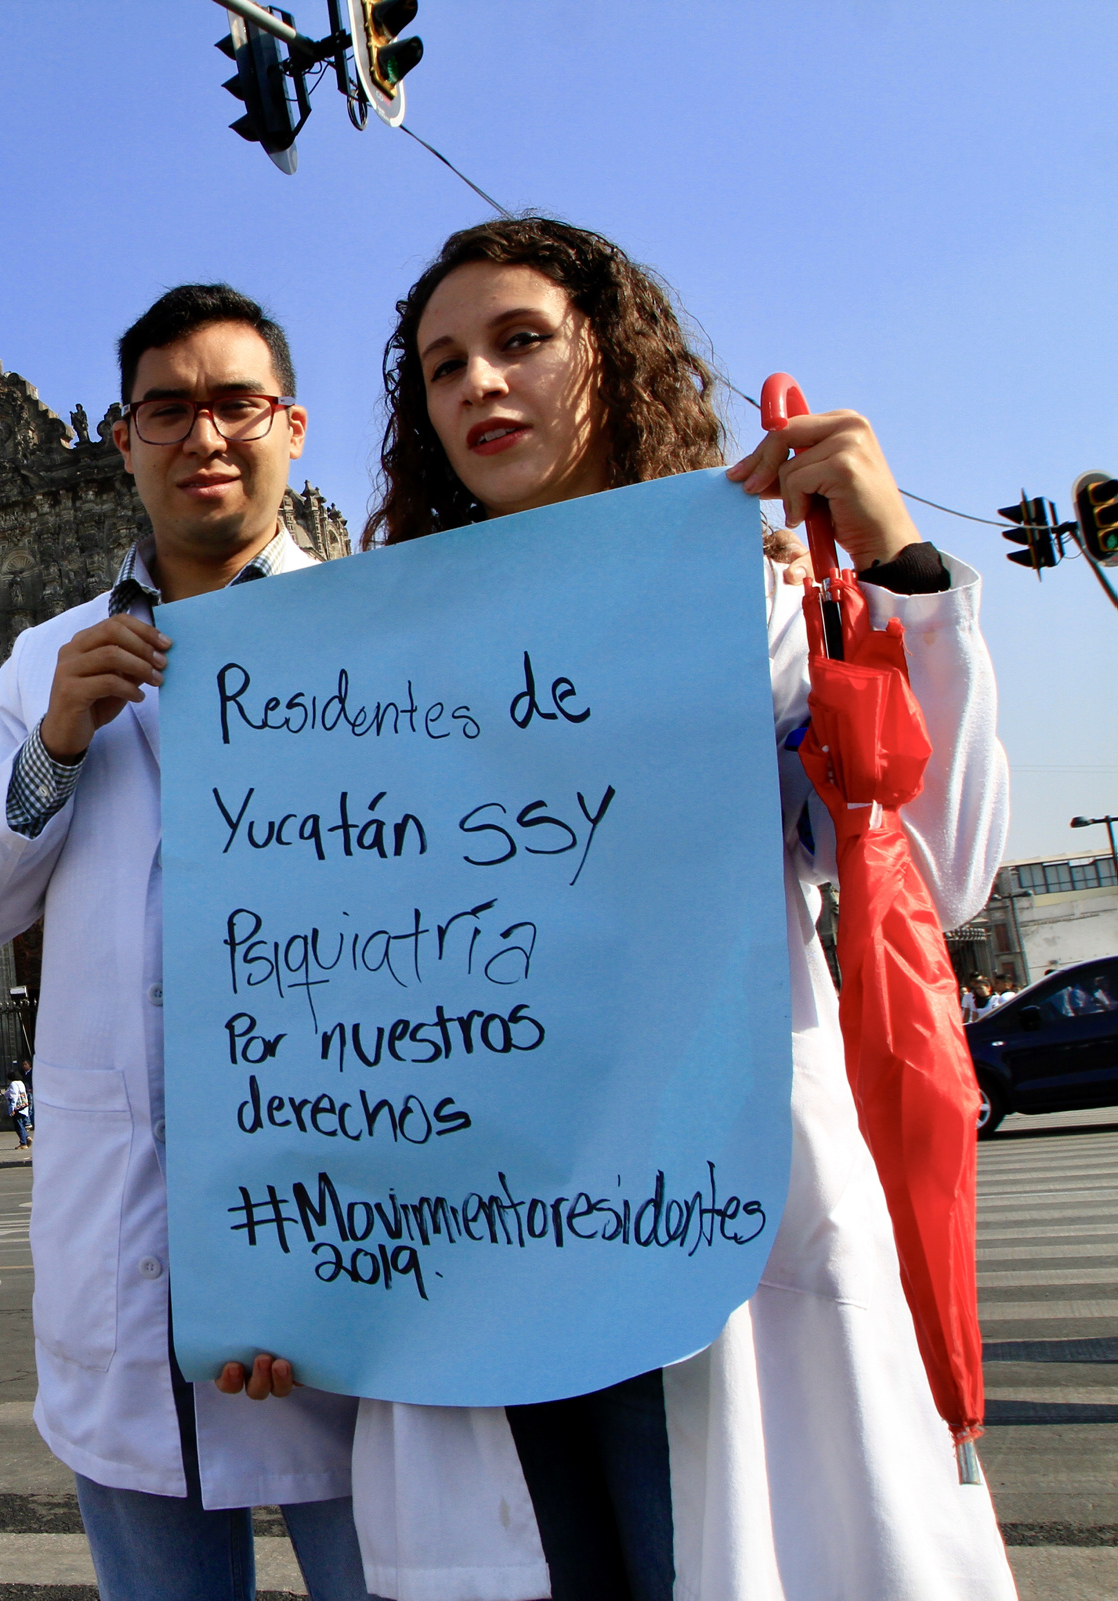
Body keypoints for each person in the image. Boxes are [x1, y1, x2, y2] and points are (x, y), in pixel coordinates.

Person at [341, 218, 1014, 1600]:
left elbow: (934, 860)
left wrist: (891, 570)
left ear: (609, 354)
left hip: (711, 1240)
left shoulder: (748, 599)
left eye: (519, 339)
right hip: (486, 1253)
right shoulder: (368, 664)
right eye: (441, 364)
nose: (476, 383)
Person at [0, 284, 377, 1601]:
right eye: (166, 409)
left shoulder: (382, 636)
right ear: (124, 438)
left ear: (290, 427)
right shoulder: (46, 660)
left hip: (346, 1249)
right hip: (129, 1269)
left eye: (236, 404)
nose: (204, 436)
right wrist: (55, 747)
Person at [6, 1068, 32, 1148]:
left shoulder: (13, 1084)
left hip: (17, 1108)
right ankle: (26, 1138)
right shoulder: (21, 1083)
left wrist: (12, 1108)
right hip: (24, 1106)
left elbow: (14, 1096)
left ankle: (23, 1142)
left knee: (18, 1125)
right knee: (21, 1124)